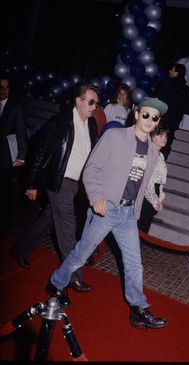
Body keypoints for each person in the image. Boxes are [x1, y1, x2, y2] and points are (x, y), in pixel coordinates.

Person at [47, 97, 169, 330]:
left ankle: (138, 309)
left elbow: (145, 185)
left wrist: (151, 202)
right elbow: (92, 168)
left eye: (154, 117)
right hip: (107, 209)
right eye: (146, 114)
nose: (149, 120)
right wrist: (97, 197)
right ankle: (56, 283)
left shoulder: (153, 153)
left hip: (127, 214)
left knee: (134, 263)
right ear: (136, 114)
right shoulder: (115, 137)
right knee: (82, 254)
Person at [11, 83, 100, 303]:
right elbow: (39, 153)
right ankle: (73, 277)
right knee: (67, 230)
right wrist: (31, 184)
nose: (94, 107)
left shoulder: (91, 125)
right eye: (90, 102)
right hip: (57, 182)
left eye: (96, 103)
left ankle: (20, 249)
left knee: (48, 219)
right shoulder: (58, 122)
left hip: (76, 185)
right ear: (78, 101)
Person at [0, 74, 28, 236]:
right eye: (1, 87)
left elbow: (22, 133)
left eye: (6, 87)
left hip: (5, 160)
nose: (3, 90)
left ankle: (3, 226)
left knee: (4, 194)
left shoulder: (16, 108)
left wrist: (21, 155)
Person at [155, 63, 189, 160]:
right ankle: (161, 164)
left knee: (154, 142)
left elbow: (156, 98)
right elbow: (188, 107)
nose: (169, 71)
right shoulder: (186, 89)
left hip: (161, 119)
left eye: (172, 70)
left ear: (177, 72)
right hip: (173, 123)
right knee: (166, 144)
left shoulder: (166, 83)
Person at [138, 122, 169, 233]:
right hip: (145, 195)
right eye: (160, 135)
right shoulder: (149, 152)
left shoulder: (160, 155)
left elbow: (160, 183)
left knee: (144, 229)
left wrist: (160, 199)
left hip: (153, 194)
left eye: (165, 136)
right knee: (139, 229)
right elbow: (147, 183)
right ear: (152, 136)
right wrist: (155, 201)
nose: (164, 138)